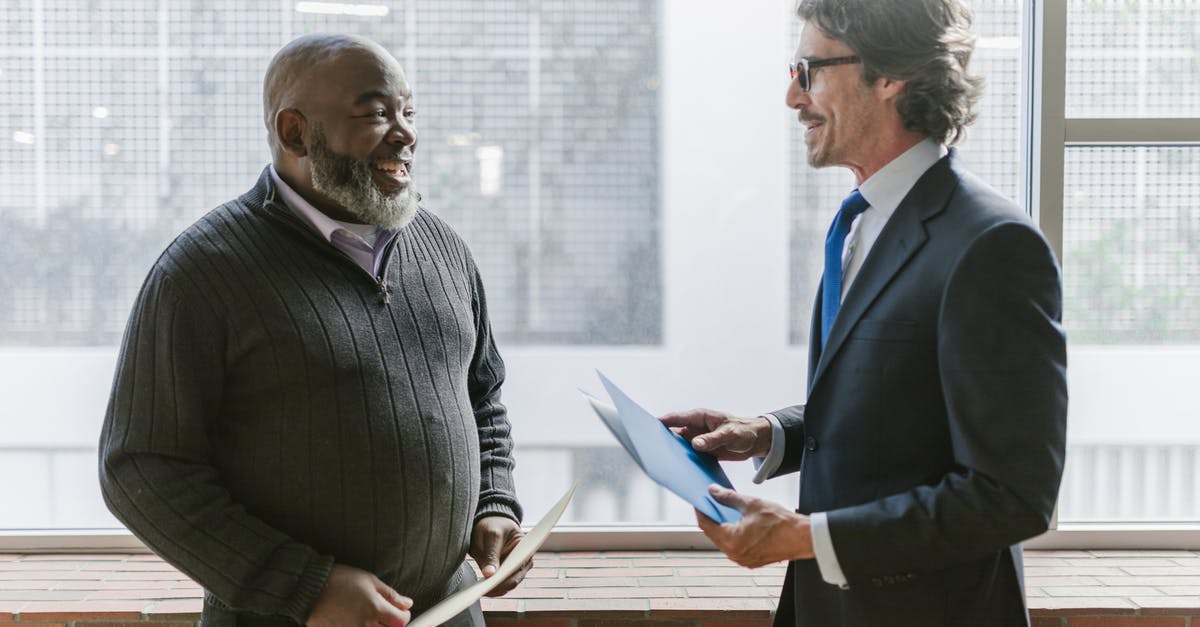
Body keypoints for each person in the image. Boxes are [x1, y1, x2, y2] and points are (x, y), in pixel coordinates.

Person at [99, 34, 528, 627]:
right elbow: (140, 467)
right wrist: (304, 586)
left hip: (451, 609)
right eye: (377, 113)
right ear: (296, 132)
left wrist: (494, 501)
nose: (406, 133)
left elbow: (483, 396)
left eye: (409, 111)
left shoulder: (444, 248)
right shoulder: (202, 272)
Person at [661, 1, 1068, 624]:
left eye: (809, 70)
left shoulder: (992, 246)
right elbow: (900, 408)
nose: (792, 98)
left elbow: (1012, 495)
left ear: (889, 76)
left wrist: (808, 537)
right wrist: (769, 433)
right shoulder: (861, 223)